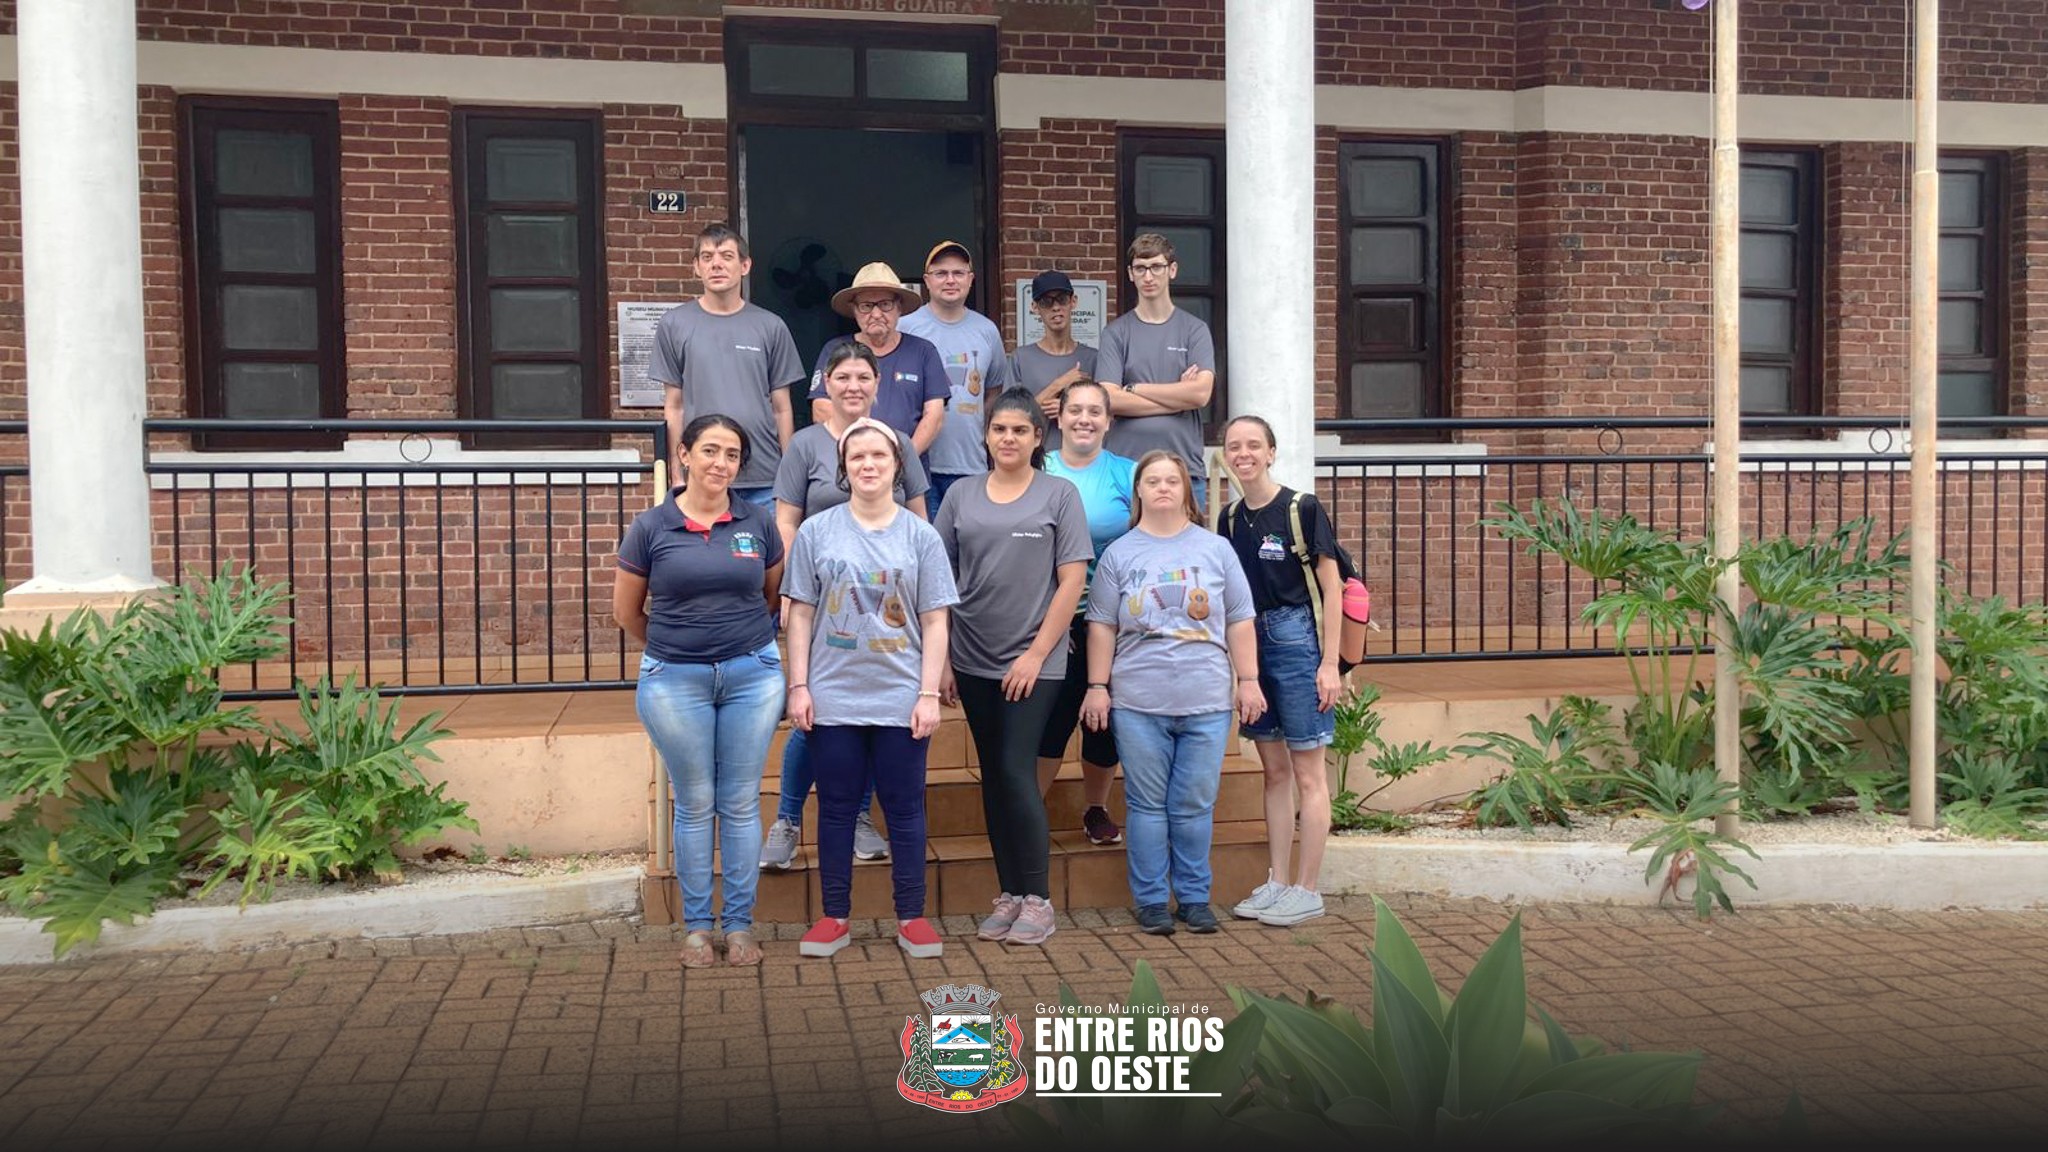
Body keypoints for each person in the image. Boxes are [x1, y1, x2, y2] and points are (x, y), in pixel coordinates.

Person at [614, 414, 785, 968]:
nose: (721, 463)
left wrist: (732, 640)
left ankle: (738, 926)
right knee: (694, 803)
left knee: (738, 802)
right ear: (684, 455)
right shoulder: (651, 527)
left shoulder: (758, 522)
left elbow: (770, 596)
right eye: (710, 450)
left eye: (732, 454)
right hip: (674, 679)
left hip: (751, 676)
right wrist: (678, 646)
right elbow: (627, 612)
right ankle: (696, 929)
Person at [785, 419, 959, 959]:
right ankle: (834, 917)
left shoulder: (921, 536)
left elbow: (935, 620)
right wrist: (799, 685)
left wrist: (928, 694)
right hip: (833, 696)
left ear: (897, 465)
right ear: (843, 468)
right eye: (856, 456)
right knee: (836, 807)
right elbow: (800, 614)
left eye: (878, 456)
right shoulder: (816, 532)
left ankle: (912, 917)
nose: (868, 465)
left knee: (904, 809)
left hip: (900, 697)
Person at [761, 342, 931, 870]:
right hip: (825, 603)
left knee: (874, 713)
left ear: (877, 384)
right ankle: (788, 820)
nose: (853, 386)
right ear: (825, 385)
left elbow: (919, 519)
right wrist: (792, 589)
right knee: (814, 714)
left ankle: (859, 816)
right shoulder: (805, 446)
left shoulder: (897, 443)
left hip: (887, 612)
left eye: (863, 376)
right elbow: (786, 520)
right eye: (843, 377)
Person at [934, 388, 1092, 946]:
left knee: (1017, 770)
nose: (1008, 438)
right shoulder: (960, 495)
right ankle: (1009, 894)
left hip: (1034, 661)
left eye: (1020, 430)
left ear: (1037, 438)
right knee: (996, 776)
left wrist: (1035, 653)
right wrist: (945, 659)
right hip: (972, 657)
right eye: (999, 429)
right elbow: (939, 580)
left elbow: (1072, 580)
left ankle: (1038, 900)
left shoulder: (1059, 494)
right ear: (986, 436)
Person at [1081, 450, 1263, 936]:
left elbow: (1240, 619)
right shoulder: (1120, 553)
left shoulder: (1216, 550)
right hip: (1138, 702)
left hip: (1206, 701)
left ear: (1187, 490)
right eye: (1153, 481)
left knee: (1194, 804)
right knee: (1146, 804)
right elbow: (1101, 625)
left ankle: (1195, 897)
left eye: (1172, 481)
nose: (1163, 487)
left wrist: (1248, 680)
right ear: (1138, 491)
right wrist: (1097, 686)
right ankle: (1151, 900)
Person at [1218, 416, 1340, 928]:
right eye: (1234, 446)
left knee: (1309, 772)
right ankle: (1278, 880)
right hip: (1252, 641)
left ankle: (1307, 889)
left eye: (1254, 445)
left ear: (1271, 452)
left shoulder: (1300, 508)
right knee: (1274, 771)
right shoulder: (1228, 518)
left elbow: (1332, 588)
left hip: (1297, 639)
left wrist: (1330, 664)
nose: (1243, 454)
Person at [1036, 378, 1134, 847]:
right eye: (1075, 409)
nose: (1084, 420)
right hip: (1049, 615)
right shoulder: (1039, 468)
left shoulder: (1128, 474)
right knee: (1051, 719)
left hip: (1111, 618)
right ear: (1059, 417)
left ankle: (1096, 807)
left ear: (1109, 421)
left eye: (1095, 411)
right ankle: (1029, 810)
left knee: (1102, 720)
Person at [648, 222, 803, 511]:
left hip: (765, 478)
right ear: (696, 267)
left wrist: (789, 474)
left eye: (726, 257)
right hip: (701, 477)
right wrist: (676, 473)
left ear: (745, 266)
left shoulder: (771, 326)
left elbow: (782, 408)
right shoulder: (674, 324)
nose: (716, 265)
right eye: (707, 257)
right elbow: (674, 406)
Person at [1097, 233, 1218, 513]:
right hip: (1126, 470)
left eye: (1156, 267)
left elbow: (1200, 394)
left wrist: (1134, 388)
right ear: (1131, 274)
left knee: (1187, 543)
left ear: (1172, 270)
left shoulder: (1195, 330)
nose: (1148, 276)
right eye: (1140, 268)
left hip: (1183, 468)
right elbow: (1109, 399)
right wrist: (1178, 398)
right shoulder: (1116, 333)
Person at [902, 241, 1011, 515]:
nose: (950, 280)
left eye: (958, 273)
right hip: (918, 466)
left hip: (970, 465)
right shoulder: (905, 328)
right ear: (927, 280)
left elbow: (993, 392)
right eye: (941, 273)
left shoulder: (987, 330)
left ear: (970, 279)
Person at [808, 262, 949, 458]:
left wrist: (901, 460)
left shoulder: (924, 351)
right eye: (866, 306)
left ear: (899, 307)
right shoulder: (835, 350)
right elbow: (821, 409)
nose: (876, 314)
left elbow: (934, 416)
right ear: (854, 310)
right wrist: (861, 454)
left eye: (885, 304)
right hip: (849, 466)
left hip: (908, 468)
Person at [1011, 269, 1098, 453]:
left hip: (1084, 458)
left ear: (1073, 301)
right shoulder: (1021, 358)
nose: (1056, 307)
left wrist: (1068, 410)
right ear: (1035, 307)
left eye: (1062, 299)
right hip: (1035, 460)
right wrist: (1058, 385)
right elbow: (1012, 418)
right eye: (1046, 302)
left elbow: (1107, 414)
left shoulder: (1093, 358)